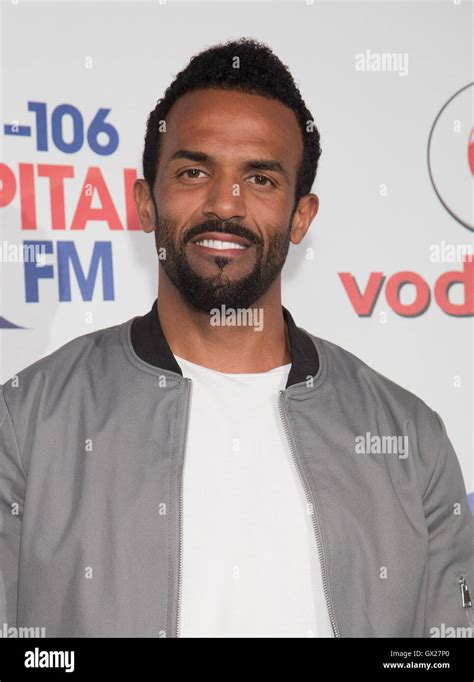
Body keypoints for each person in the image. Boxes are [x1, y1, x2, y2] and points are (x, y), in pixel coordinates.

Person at [0, 38, 472, 638]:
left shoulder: (410, 441)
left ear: (302, 217)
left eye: (262, 179)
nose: (226, 203)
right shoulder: (24, 421)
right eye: (194, 172)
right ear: (146, 203)